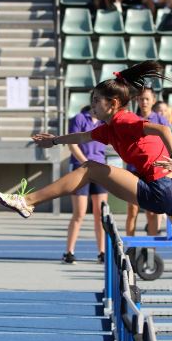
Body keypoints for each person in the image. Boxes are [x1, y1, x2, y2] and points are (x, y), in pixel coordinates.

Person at [0, 61, 172, 237]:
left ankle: (27, 201)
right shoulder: (108, 128)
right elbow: (83, 137)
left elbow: (163, 129)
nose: (92, 106)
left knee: (90, 169)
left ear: (112, 103)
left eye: (96, 101)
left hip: (161, 187)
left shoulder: (123, 119)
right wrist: (54, 141)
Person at [63, 105, 108, 265]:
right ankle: (69, 251)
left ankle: (102, 252)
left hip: (100, 168)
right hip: (81, 168)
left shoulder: (105, 121)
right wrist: (86, 162)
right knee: (79, 213)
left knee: (100, 214)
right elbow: (72, 144)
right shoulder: (79, 118)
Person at [125, 87, 169, 236]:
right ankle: (130, 249)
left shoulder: (161, 120)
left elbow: (169, 143)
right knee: (132, 210)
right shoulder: (130, 119)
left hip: (154, 171)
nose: (144, 102)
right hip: (134, 169)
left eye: (147, 99)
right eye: (141, 99)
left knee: (152, 212)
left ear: (153, 101)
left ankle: (151, 250)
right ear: (136, 100)